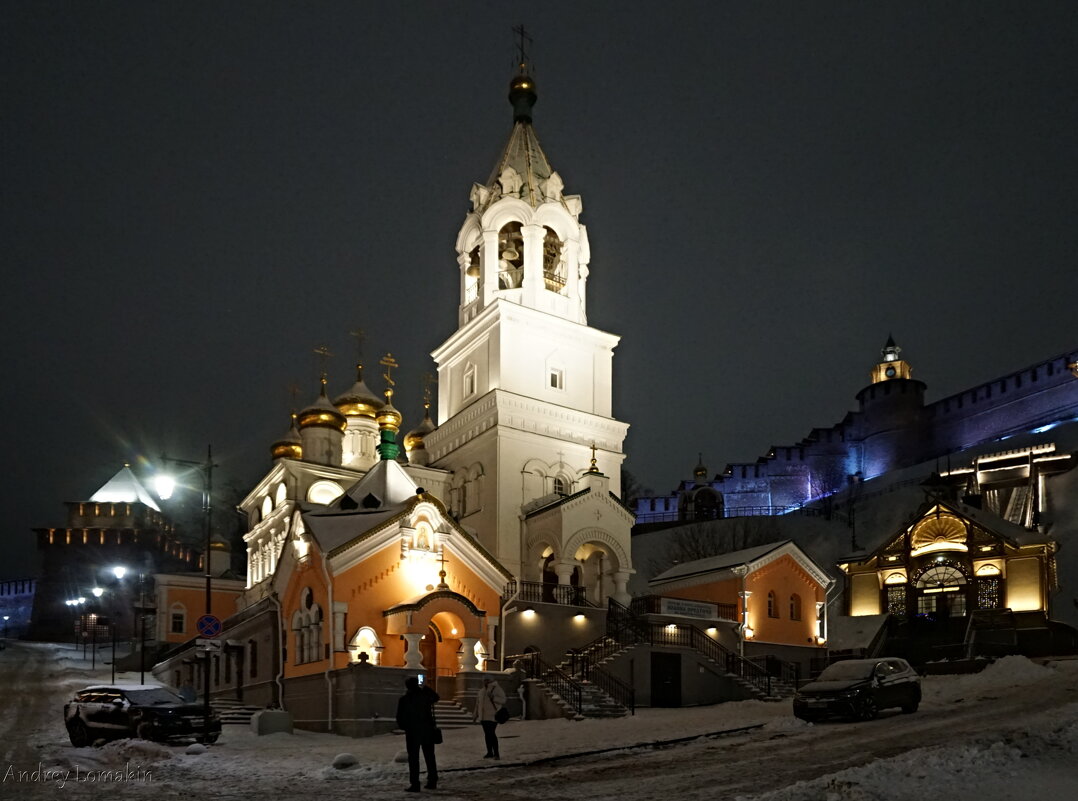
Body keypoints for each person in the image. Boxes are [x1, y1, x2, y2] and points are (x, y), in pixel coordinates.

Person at [396, 676, 440, 791]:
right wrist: (424, 687)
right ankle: (432, 780)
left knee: (413, 759)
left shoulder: (405, 699)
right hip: (427, 731)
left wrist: (405, 727)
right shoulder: (424, 697)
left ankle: (415, 784)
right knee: (430, 757)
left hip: (412, 732)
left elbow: (399, 717)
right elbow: (436, 697)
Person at [473, 676, 507, 759]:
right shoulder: (481, 691)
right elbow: (478, 704)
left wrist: (493, 698)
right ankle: (489, 752)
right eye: (484, 680)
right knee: (487, 734)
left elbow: (503, 700)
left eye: (487, 680)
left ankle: (496, 753)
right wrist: (475, 715)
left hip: (493, 715)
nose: (485, 682)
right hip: (483, 716)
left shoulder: (496, 689)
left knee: (491, 733)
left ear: (491, 680)